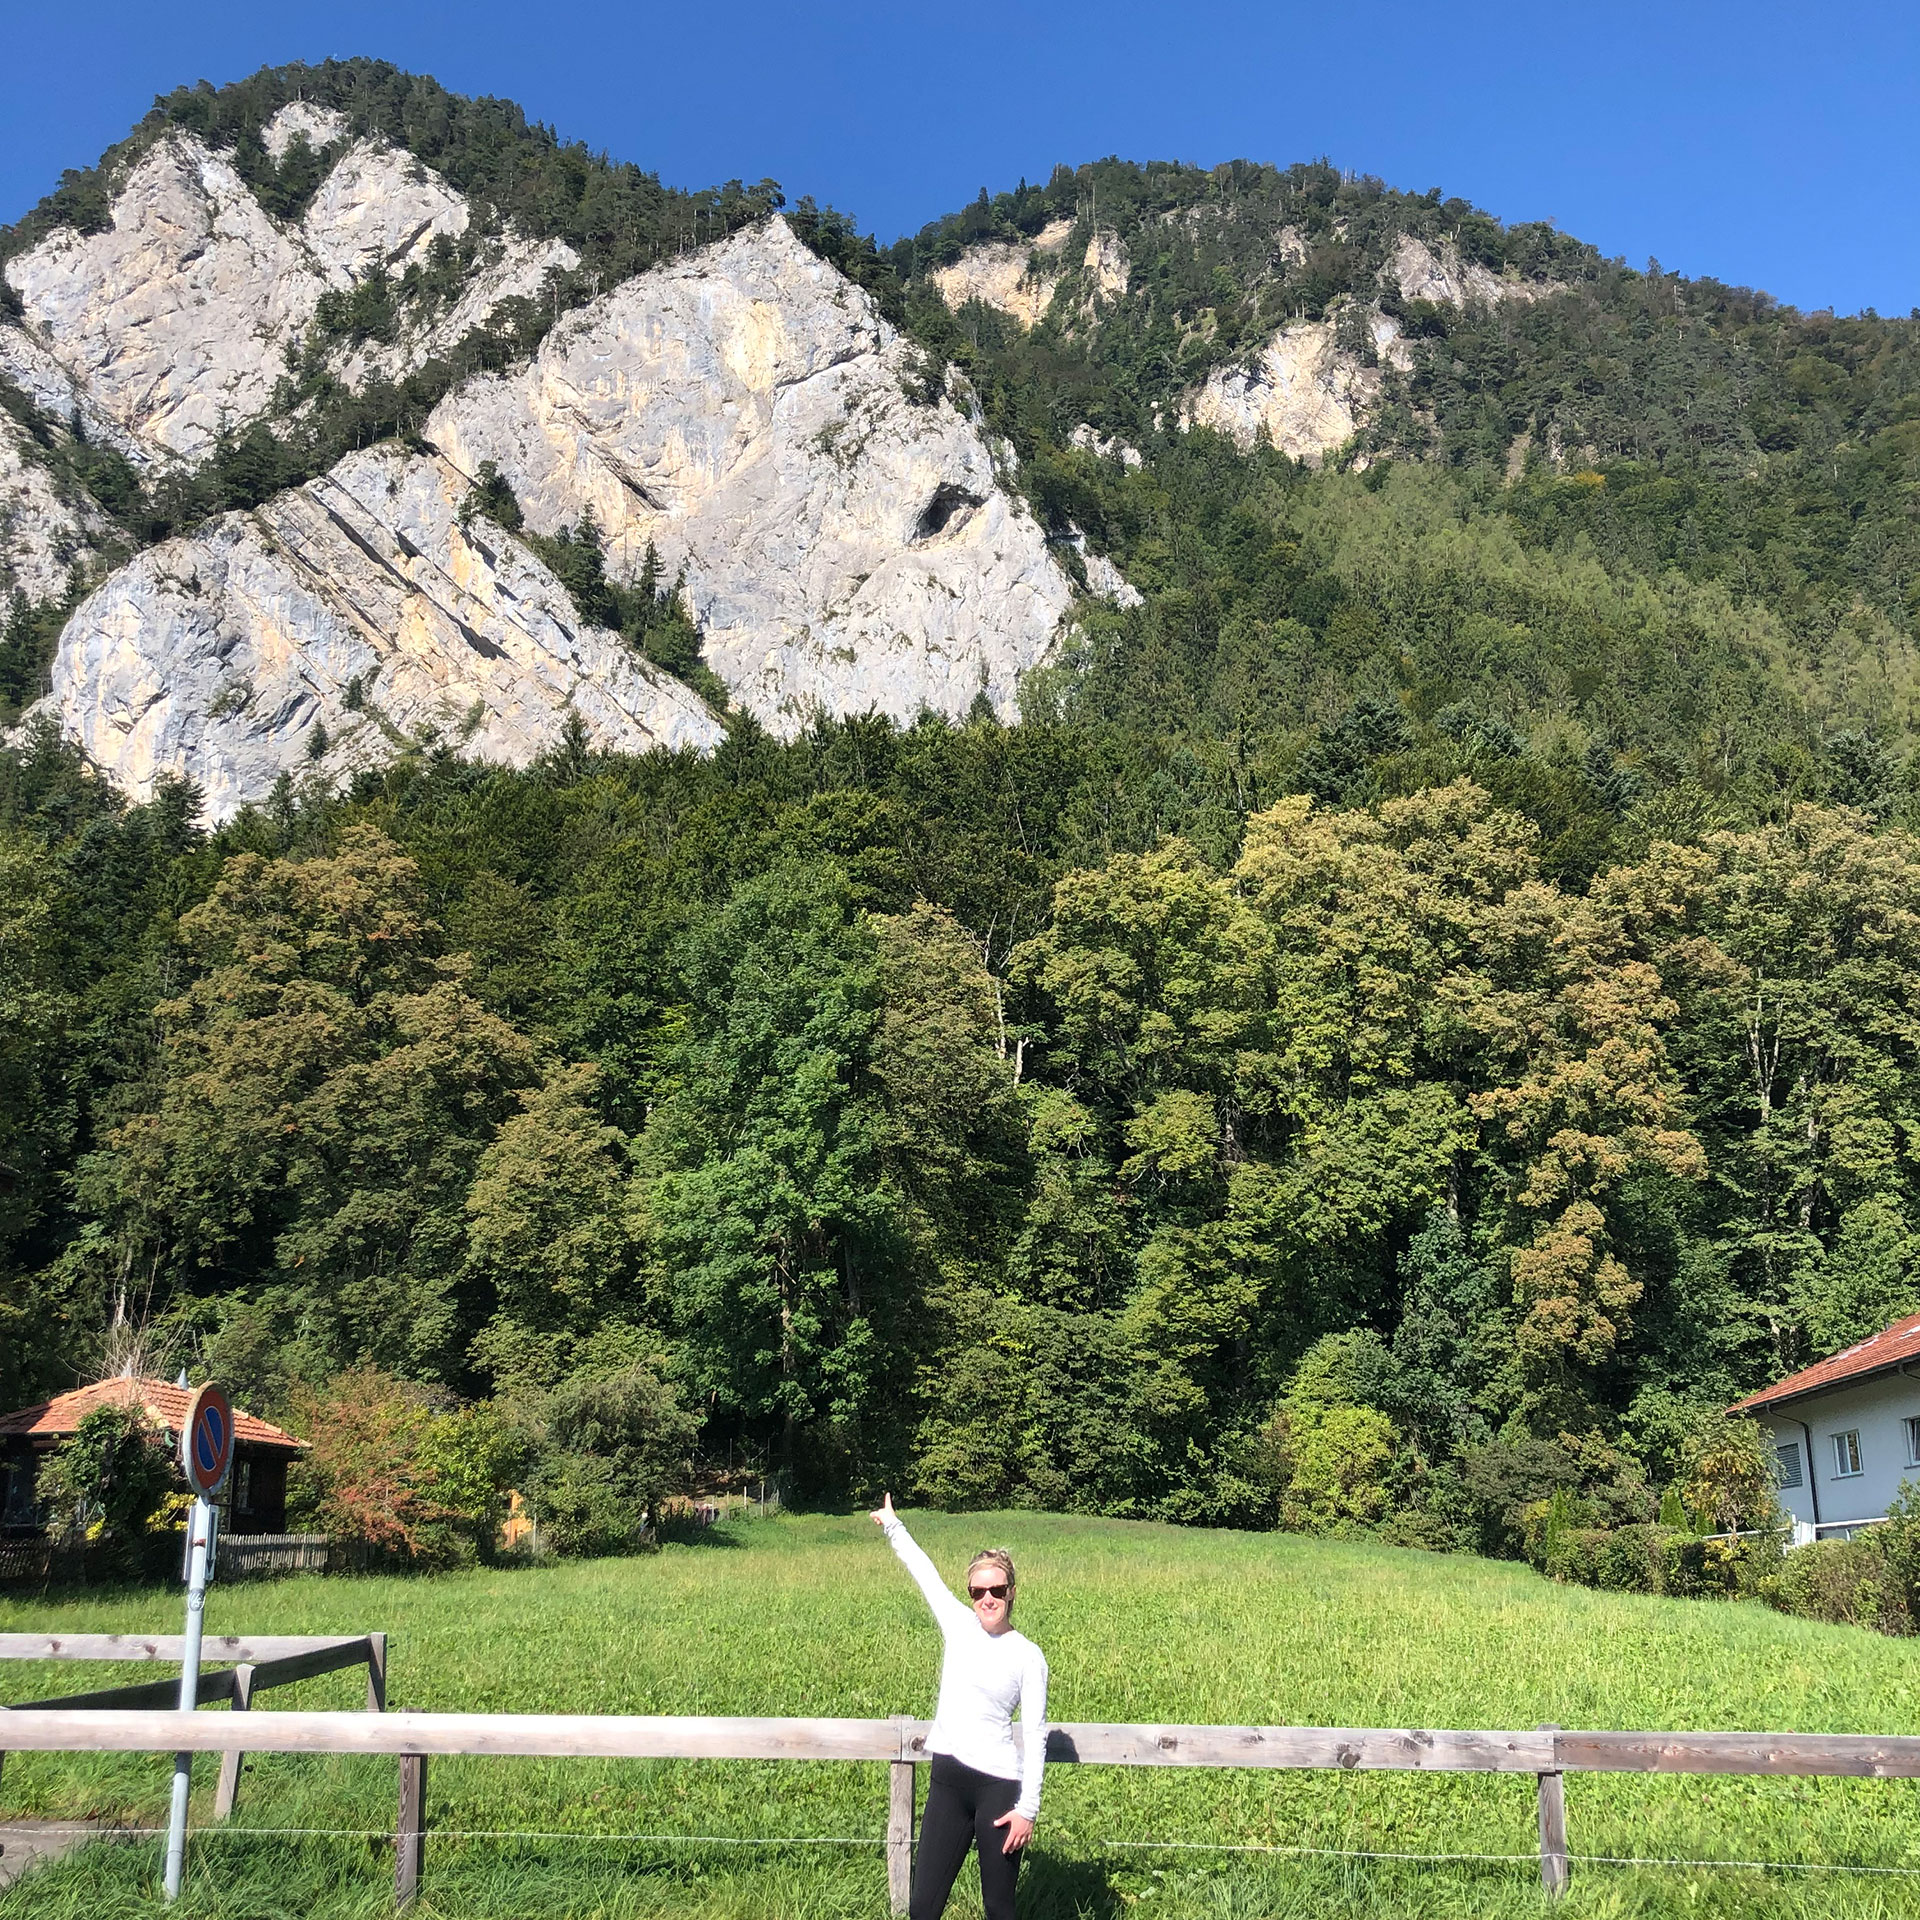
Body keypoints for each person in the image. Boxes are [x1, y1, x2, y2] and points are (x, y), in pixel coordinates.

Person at [870, 1492, 1048, 1920]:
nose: (987, 1598)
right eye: (978, 1590)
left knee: (998, 1908)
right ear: (970, 1593)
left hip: (999, 1789)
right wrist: (894, 1525)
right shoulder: (958, 1625)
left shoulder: (1027, 1655)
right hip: (948, 1780)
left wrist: (1027, 1809)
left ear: (1011, 1592)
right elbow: (925, 1574)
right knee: (923, 1907)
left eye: (996, 1589)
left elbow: (1036, 1734)